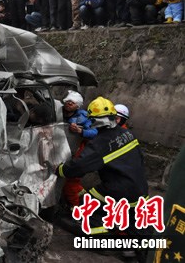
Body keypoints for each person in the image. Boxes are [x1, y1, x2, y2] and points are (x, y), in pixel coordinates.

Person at [56, 96, 149, 238]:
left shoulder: (100, 143)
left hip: (119, 191)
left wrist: (61, 169)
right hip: (141, 189)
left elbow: (79, 166)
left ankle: (99, 236)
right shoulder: (128, 134)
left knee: (87, 204)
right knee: (132, 220)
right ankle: (136, 247)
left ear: (92, 120)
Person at [61, 91, 98, 207]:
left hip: (74, 151)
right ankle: (82, 198)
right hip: (58, 147)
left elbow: (94, 132)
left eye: (72, 102)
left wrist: (80, 131)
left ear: (78, 105)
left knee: (70, 181)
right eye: (68, 101)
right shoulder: (57, 111)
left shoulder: (83, 117)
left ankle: (75, 208)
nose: (69, 104)